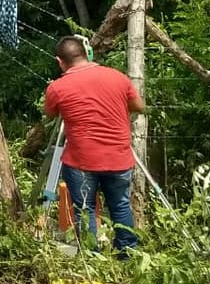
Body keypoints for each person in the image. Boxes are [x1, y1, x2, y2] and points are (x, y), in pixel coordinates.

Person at [44, 36, 145, 255]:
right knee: (120, 205)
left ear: (60, 61)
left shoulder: (57, 88)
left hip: (81, 161)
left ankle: (92, 256)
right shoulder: (117, 77)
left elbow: (51, 113)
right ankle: (127, 253)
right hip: (119, 157)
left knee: (84, 209)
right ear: (85, 53)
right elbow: (139, 106)